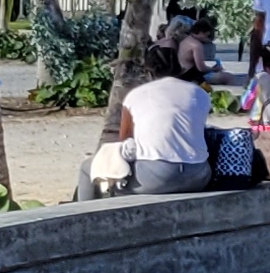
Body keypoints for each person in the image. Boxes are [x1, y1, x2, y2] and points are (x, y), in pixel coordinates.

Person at [76, 46, 213, 195]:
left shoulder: (136, 95)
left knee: (88, 169)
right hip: (199, 174)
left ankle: (83, 216)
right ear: (179, 66)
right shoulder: (199, 93)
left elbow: (125, 138)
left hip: (157, 177)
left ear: (148, 71)